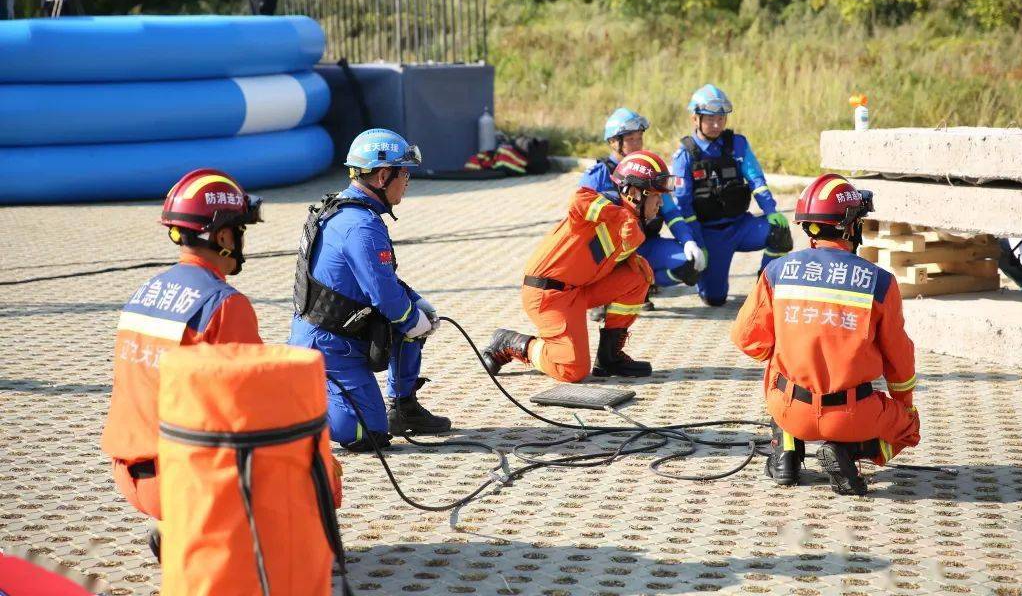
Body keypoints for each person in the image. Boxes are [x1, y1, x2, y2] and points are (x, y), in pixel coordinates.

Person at [731, 174, 920, 495]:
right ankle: (849, 451)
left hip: (789, 408)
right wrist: (904, 408)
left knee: (776, 363)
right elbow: (899, 363)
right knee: (909, 429)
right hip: (852, 414)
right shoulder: (880, 282)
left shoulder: (777, 271)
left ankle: (785, 450)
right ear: (849, 226)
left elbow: (748, 340)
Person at [101, 169, 265, 532]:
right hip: (180, 480)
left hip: (129, 474)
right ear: (223, 235)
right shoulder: (224, 304)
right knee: (313, 462)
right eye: (240, 231)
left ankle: (179, 529)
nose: (241, 241)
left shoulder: (146, 291)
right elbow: (255, 406)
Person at [289, 128, 447, 453]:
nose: (408, 181)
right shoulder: (361, 226)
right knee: (368, 435)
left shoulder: (352, 211)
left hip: (340, 334)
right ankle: (286, 413)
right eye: (404, 173)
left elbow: (380, 281)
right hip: (329, 348)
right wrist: (411, 316)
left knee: (413, 321)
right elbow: (385, 298)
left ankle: (404, 408)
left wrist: (416, 308)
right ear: (383, 175)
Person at [481, 151, 674, 381]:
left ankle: (610, 357)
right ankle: (511, 343)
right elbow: (578, 200)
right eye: (656, 196)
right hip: (547, 293)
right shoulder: (605, 206)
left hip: (576, 290)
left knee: (639, 273)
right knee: (573, 370)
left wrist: (628, 256)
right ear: (634, 193)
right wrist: (621, 217)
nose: (660, 203)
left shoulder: (634, 227)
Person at [670, 84, 793, 306]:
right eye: (710, 119)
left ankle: (765, 290)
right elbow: (683, 206)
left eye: (721, 118)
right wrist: (698, 243)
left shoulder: (737, 144)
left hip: (740, 226)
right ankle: (705, 280)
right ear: (694, 119)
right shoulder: (684, 156)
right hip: (710, 235)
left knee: (780, 233)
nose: (717, 125)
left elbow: (756, 180)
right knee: (715, 299)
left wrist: (771, 210)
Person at [579, 108, 707, 317]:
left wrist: (688, 242)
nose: (637, 144)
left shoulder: (651, 170)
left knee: (689, 265)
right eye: (631, 139)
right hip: (611, 252)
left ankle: (642, 286)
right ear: (613, 142)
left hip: (646, 245)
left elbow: (672, 213)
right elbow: (580, 219)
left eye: (640, 138)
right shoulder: (598, 174)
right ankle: (600, 295)